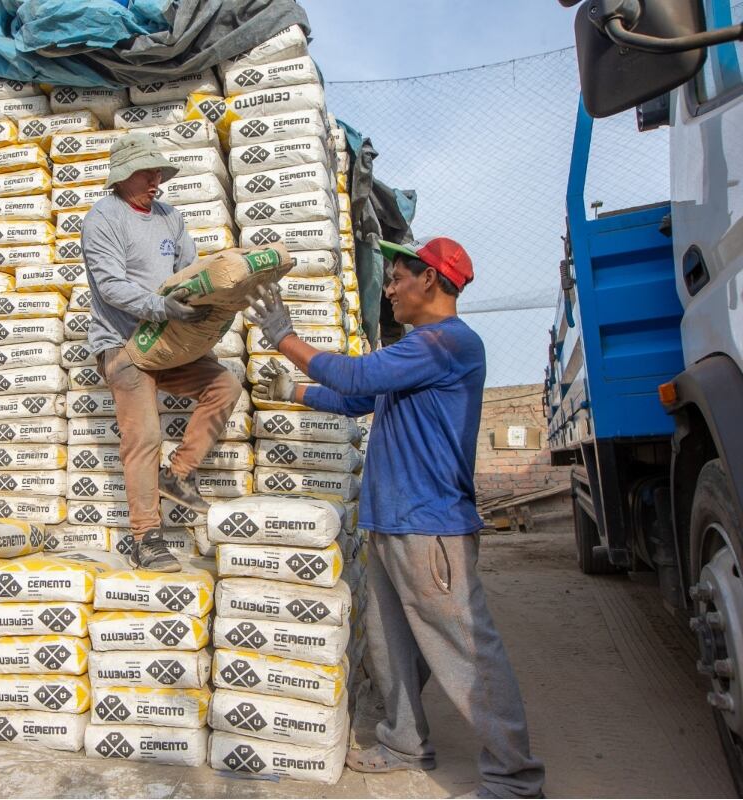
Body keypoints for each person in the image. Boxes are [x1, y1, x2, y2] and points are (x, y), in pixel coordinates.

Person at [248, 237, 545, 799]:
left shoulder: (446, 343)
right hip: (391, 521)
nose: (389, 289)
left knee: (464, 648)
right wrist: (295, 390)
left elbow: (357, 379)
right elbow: (360, 401)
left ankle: (514, 778)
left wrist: (285, 338)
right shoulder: (418, 350)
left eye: (398, 278)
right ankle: (406, 741)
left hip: (430, 526)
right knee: (391, 645)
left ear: (429, 280)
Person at [81, 132, 243, 573]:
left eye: (160, 172)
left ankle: (180, 474)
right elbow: (111, 285)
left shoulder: (170, 217)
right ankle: (146, 538)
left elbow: (188, 270)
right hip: (123, 345)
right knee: (144, 436)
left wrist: (212, 297)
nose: (158, 180)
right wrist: (159, 305)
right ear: (123, 176)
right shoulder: (103, 219)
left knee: (225, 386)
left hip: (167, 341)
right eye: (148, 172)